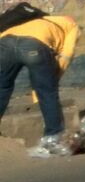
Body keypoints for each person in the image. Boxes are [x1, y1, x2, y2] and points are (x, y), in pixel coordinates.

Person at [0, 10, 79, 157]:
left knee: (2, 88)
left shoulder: (36, 19)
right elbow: (66, 56)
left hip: (5, 44)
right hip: (34, 46)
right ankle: (53, 138)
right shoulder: (72, 26)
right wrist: (51, 82)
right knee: (48, 93)